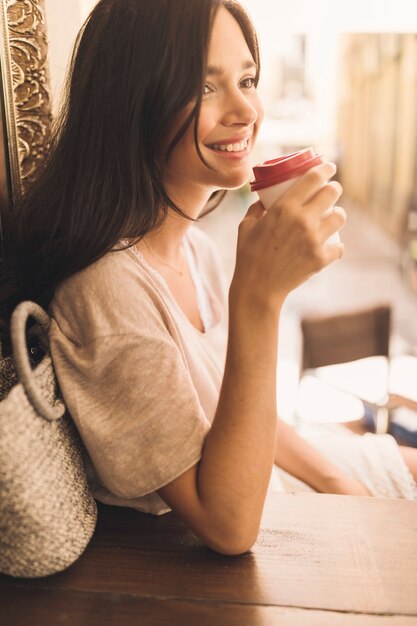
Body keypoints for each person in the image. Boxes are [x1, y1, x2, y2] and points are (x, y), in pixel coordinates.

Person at [1, 0, 416, 556]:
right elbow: (228, 527)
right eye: (204, 86)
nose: (245, 109)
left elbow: (239, 408)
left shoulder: (195, 248)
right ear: (132, 101)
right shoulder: (106, 291)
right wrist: (259, 299)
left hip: (275, 476)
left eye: (247, 79)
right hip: (247, 522)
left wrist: (342, 483)